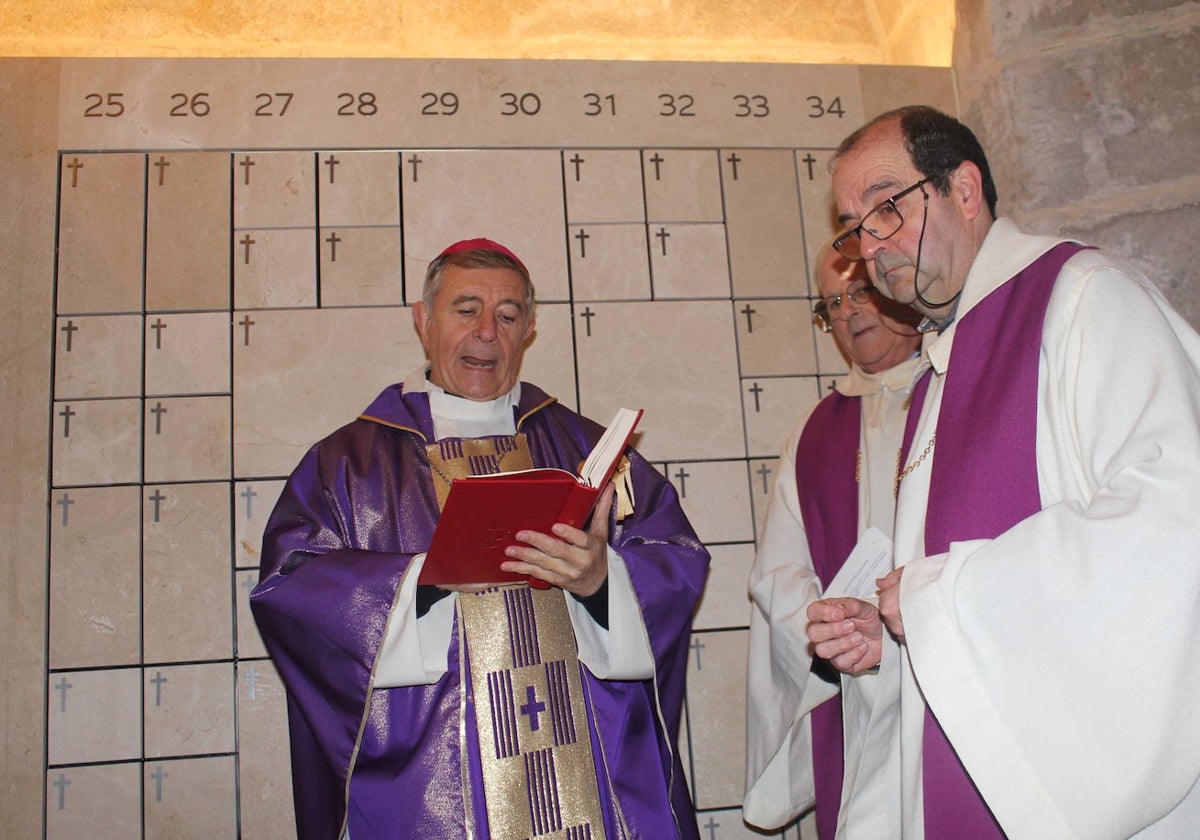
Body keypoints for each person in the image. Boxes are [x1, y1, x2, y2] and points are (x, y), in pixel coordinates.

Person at [807, 105, 1200, 838]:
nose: (868, 245)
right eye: (854, 225)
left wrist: (934, 597)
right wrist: (889, 633)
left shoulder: (1084, 295)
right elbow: (935, 602)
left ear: (963, 188)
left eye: (886, 206)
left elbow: (1178, 516)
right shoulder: (936, 368)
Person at [251, 238, 710, 840]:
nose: (487, 332)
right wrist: (421, 581)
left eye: (509, 314)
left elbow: (675, 559)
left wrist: (605, 583)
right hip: (430, 792)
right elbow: (291, 588)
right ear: (424, 320)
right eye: (466, 309)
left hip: (589, 784)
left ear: (530, 329)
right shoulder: (349, 465)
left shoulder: (592, 453)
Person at [744, 242, 922, 840]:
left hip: (948, 673)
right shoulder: (814, 431)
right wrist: (829, 626)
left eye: (861, 292)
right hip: (859, 692)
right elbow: (777, 571)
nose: (848, 312)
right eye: (832, 303)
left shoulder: (959, 389)